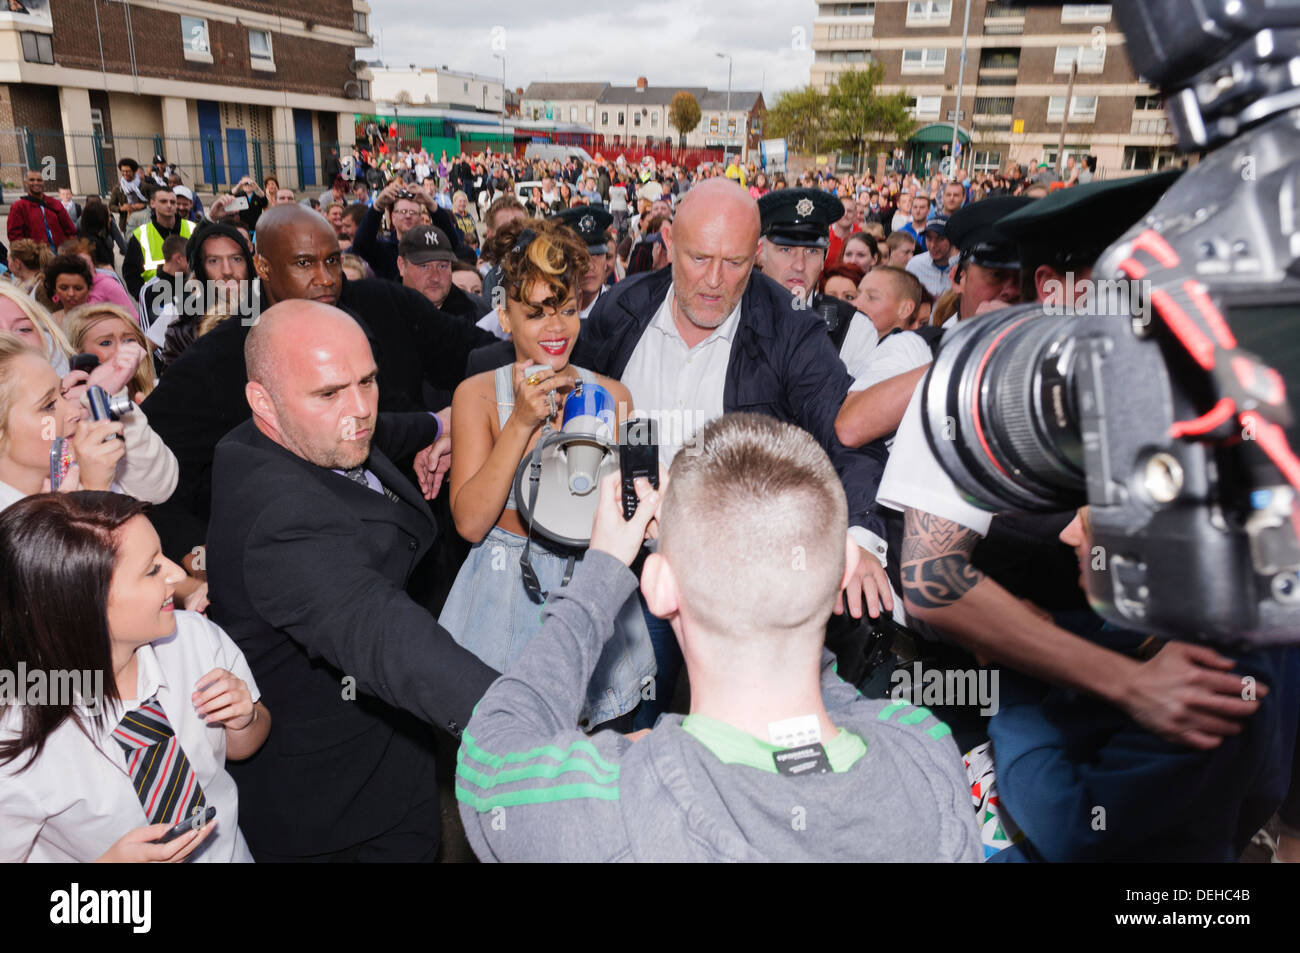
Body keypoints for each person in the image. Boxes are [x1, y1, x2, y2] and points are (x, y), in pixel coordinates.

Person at [457, 413, 982, 862]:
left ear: (659, 588)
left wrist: (601, 573)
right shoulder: (925, 749)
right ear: (843, 571)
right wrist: (795, 594)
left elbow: (489, 759)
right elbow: (835, 701)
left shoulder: (623, 802)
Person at [575, 179, 896, 730]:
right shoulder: (621, 309)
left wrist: (861, 537)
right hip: (628, 556)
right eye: (699, 258)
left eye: (735, 262)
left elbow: (847, 431)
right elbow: (569, 391)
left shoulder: (790, 332)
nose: (715, 281)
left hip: (737, 570)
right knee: (619, 723)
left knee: (742, 736)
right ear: (668, 241)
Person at [205, 299, 499, 861]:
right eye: (330, 393)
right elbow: (385, 635)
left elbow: (379, 431)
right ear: (262, 401)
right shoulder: (282, 517)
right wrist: (527, 723)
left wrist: (441, 426)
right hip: (342, 810)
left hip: (385, 748)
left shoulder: (290, 434)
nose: (358, 409)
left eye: (368, 381)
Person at [140, 204, 494, 566]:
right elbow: (144, 463)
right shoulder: (221, 357)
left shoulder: (384, 304)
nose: (325, 278)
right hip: (295, 565)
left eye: (333, 261)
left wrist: (463, 418)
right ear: (263, 267)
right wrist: (198, 558)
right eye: (305, 263)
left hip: (420, 550)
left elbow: (484, 355)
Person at [981, 505, 1298, 862]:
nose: (1067, 534)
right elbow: (1129, 642)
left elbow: (1078, 831)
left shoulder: (1207, 684)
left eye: (1091, 523)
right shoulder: (1239, 630)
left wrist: (1014, 691)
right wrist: (1045, 632)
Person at [440, 219, 649, 731]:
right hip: (503, 592)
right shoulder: (477, 395)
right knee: (513, 761)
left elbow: (631, 510)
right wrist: (521, 421)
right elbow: (469, 523)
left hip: (589, 584)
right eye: (535, 313)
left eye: (568, 309)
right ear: (504, 316)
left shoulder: (616, 396)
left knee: (598, 765)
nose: (555, 328)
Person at [0, 491, 267, 862]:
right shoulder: (17, 732)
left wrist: (245, 719)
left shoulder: (193, 639)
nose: (177, 572)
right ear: (82, 607)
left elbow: (244, 746)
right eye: (152, 569)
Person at [755, 188, 878, 381]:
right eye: (786, 249)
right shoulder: (732, 315)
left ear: (824, 258)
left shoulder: (853, 329)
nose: (799, 265)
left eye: (812, 251)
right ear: (760, 253)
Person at [63, 303, 156, 403]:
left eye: (129, 340)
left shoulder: (159, 390)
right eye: (106, 343)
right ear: (79, 354)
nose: (120, 349)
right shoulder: (73, 403)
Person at [395, 224, 484, 323]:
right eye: (424, 266)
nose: (435, 277)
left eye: (442, 266)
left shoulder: (480, 313)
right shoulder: (381, 316)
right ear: (401, 265)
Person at [123, 185, 195, 299]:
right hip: (156, 301)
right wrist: (143, 297)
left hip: (191, 300)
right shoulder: (141, 234)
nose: (169, 205)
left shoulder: (193, 229)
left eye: (172, 201)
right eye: (163, 201)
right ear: (152, 203)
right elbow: (130, 272)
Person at [7, 169, 76, 250]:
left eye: (39, 180)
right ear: (25, 183)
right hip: (35, 256)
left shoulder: (55, 203)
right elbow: (14, 236)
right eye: (32, 180)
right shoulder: (18, 207)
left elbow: (69, 230)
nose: (36, 183)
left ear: (43, 182)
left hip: (60, 254)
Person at [905, 215, 958, 297]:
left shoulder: (964, 265)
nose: (933, 245)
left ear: (952, 239)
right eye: (929, 239)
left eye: (940, 239)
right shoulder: (914, 265)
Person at [41, 254, 93, 326]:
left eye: (78, 288)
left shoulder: (100, 321)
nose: (71, 293)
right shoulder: (50, 322)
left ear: (89, 289)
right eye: (64, 288)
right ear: (55, 289)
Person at [109, 159, 149, 233]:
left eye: (127, 171)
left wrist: (143, 206)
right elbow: (111, 205)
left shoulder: (144, 186)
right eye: (122, 171)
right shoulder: (118, 188)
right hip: (126, 225)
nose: (125, 173)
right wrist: (121, 208)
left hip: (144, 223)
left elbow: (154, 203)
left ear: (134, 171)